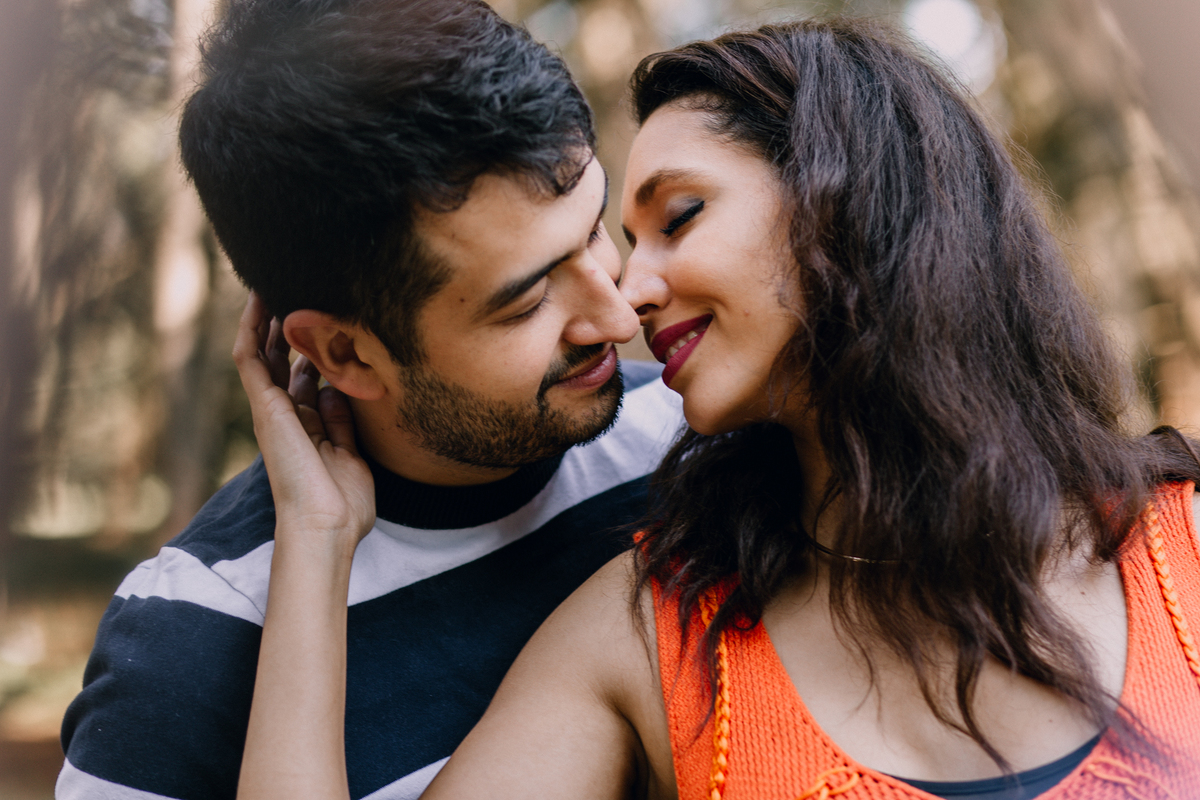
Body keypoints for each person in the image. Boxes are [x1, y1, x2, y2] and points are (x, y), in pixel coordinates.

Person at [234, 16, 1200, 800]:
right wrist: (316, 541)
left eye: (679, 216)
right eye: (625, 241)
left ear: (852, 201)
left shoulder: (1182, 548)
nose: (628, 297)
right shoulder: (651, 637)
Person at [55, 1, 683, 799]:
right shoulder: (189, 645)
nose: (619, 316)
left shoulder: (693, 442)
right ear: (345, 352)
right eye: (525, 305)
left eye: (594, 230)